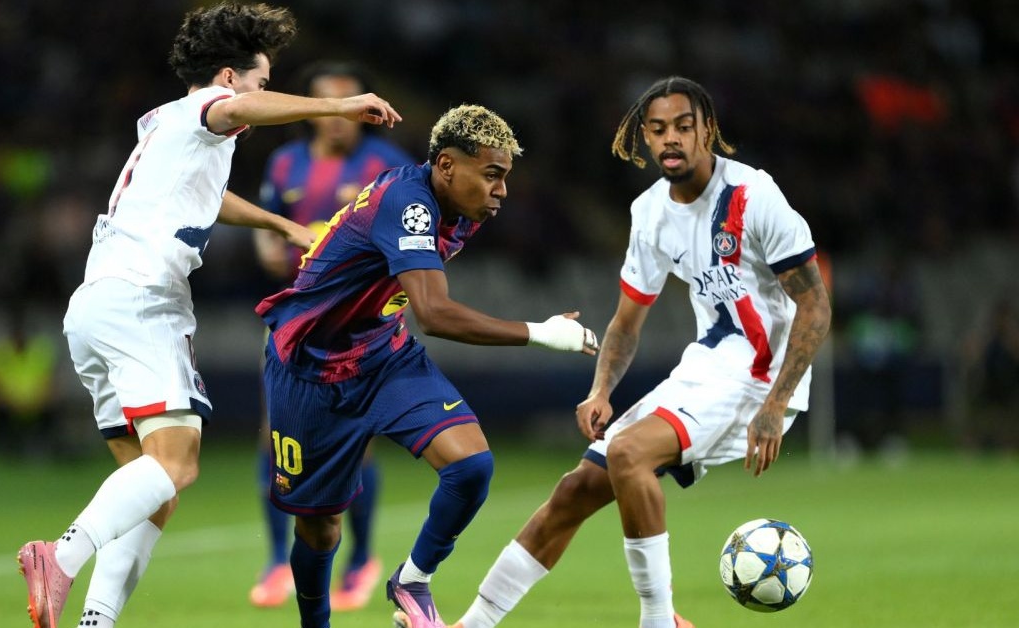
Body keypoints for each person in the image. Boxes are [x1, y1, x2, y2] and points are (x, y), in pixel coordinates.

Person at [16, 4, 402, 628]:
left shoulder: (166, 126)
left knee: (151, 487)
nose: (259, 94)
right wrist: (338, 105)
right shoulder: (209, 107)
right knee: (178, 464)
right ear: (228, 78)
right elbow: (237, 108)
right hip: (144, 299)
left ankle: (96, 620)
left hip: (94, 305)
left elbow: (207, 196)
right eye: (259, 81)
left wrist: (282, 225)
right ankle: (58, 557)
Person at [452, 76, 832, 628]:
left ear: (707, 131)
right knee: (576, 489)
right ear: (645, 138)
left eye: (683, 126)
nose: (670, 138)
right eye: (657, 129)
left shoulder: (754, 195)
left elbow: (815, 307)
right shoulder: (650, 211)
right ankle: (473, 624)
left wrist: (776, 403)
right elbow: (627, 323)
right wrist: (600, 390)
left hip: (759, 376)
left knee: (629, 454)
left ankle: (658, 621)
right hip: (706, 366)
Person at [255, 103, 599, 628]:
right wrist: (541, 332)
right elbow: (434, 314)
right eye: (491, 174)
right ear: (446, 165)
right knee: (319, 529)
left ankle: (412, 580)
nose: (502, 190)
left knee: (471, 466)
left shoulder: (459, 209)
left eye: (504, 177)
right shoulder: (409, 203)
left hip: (382, 355)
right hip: (309, 368)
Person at [250, 60, 415, 611]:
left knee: (355, 444)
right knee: (275, 439)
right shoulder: (285, 162)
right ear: (314, 108)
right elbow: (267, 222)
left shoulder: (388, 164)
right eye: (329, 103)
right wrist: (268, 248)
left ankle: (361, 559)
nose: (340, 118)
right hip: (296, 321)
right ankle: (277, 560)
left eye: (350, 104)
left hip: (361, 326)